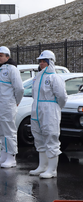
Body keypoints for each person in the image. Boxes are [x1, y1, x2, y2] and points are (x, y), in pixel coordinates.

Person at [29, 50, 67, 178]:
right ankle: (42, 166)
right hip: (37, 108)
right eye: (40, 61)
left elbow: (62, 97)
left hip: (50, 109)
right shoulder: (37, 78)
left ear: (50, 62)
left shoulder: (55, 78)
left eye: (44, 61)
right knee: (38, 136)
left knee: (51, 136)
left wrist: (55, 107)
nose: (41, 63)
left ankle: (52, 169)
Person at [0, 46, 24, 168]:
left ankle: (11, 156)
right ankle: (4, 154)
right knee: (1, 131)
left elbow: (19, 88)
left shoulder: (12, 69)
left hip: (7, 105)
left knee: (9, 131)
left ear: (7, 57)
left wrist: (16, 102)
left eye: (1, 56)